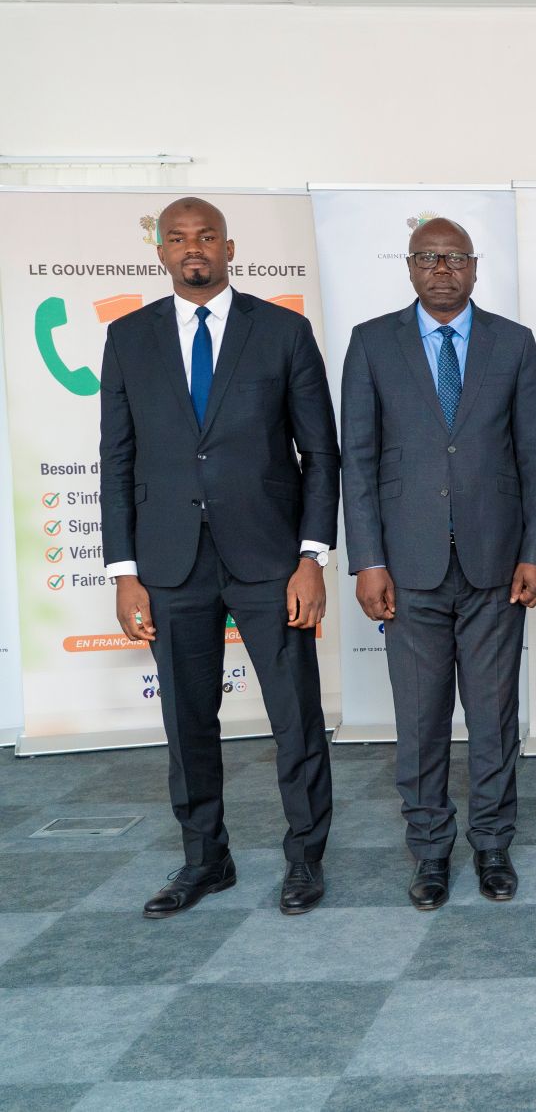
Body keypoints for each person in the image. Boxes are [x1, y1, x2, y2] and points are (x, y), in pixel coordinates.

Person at [99, 197, 339, 918]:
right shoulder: (129, 337)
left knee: (295, 715)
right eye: (177, 238)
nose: (193, 248)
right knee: (187, 721)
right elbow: (116, 460)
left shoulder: (283, 331)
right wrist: (124, 572)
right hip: (170, 563)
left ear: (229, 248)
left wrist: (311, 556)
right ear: (161, 253)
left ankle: (305, 858)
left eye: (206, 236)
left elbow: (320, 453)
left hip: (271, 558)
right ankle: (206, 859)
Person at [341, 218, 536, 911]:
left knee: (493, 719)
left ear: (474, 267)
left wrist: (535, 552)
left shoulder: (513, 343)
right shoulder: (372, 343)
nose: (441, 268)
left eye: (454, 257)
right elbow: (358, 462)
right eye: (428, 257)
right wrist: (368, 560)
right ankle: (430, 851)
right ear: (409, 266)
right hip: (407, 569)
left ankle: (491, 844)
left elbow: (535, 457)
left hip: (496, 566)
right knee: (421, 720)